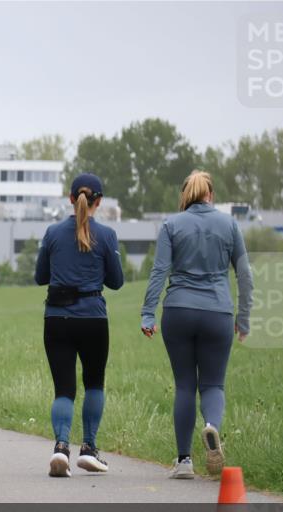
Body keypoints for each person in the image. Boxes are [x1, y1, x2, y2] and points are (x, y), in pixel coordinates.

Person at [141, 170, 253, 479]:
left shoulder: (171, 224)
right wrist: (243, 317)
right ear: (211, 195)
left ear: (185, 196)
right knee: (213, 384)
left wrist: (148, 313)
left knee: (185, 385)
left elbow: (159, 270)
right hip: (217, 312)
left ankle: (184, 461)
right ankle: (212, 427)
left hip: (178, 311)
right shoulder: (229, 225)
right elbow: (245, 275)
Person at [34, 173, 124, 478]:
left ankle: (61, 447)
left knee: (64, 389)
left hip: (57, 319)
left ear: (71, 199)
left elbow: (40, 277)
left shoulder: (52, 233)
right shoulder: (108, 236)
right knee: (94, 383)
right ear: (99, 201)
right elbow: (116, 282)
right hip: (93, 319)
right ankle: (89, 448)